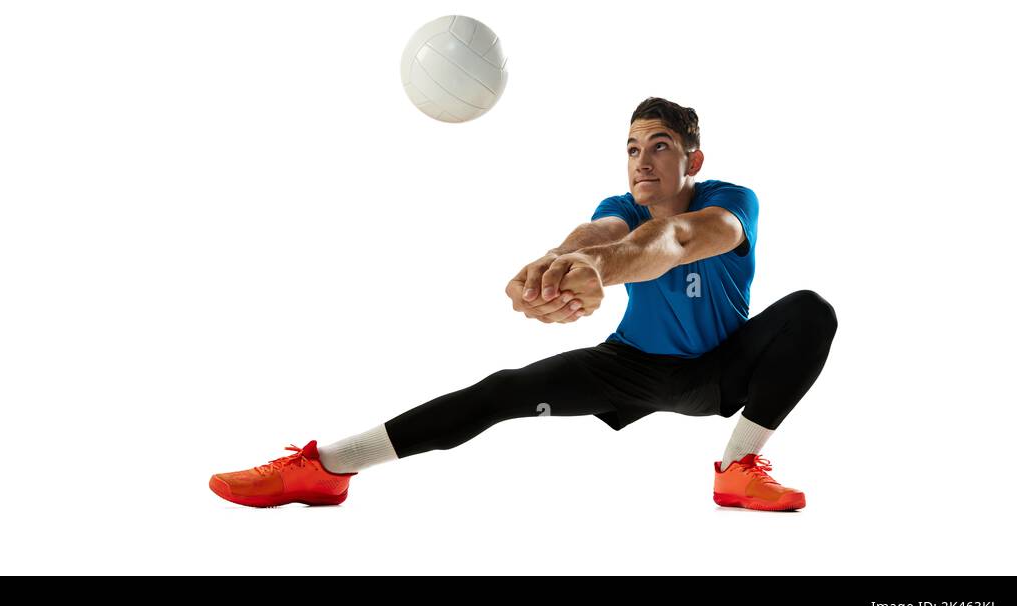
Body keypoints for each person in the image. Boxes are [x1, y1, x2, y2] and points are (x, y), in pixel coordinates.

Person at [208, 97, 838, 511]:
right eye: (632, 148)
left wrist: (599, 268)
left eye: (660, 146)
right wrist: (556, 268)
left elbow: (672, 241)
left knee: (811, 310)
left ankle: (736, 466)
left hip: (721, 369)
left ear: (693, 159)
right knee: (499, 391)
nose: (641, 161)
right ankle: (323, 469)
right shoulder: (617, 208)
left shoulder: (734, 200)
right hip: (630, 365)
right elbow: (595, 239)